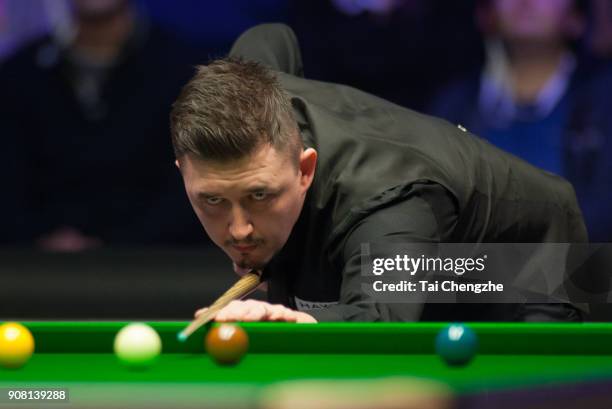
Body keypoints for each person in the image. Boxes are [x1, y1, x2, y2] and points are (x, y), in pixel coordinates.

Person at [170, 24, 587, 323]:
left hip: (521, 264)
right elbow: (271, 35)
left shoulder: (391, 197)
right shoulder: (256, 93)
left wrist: (290, 320)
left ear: (304, 168)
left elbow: (381, 319)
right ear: (182, 173)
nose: (239, 229)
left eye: (259, 196)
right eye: (213, 200)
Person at [0, 0, 203, 248]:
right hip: (30, 268)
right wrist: (41, 242)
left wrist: (112, 247)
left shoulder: (183, 70)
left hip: (156, 267)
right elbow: (8, 188)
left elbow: (192, 191)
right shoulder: (18, 75)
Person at [429, 0, 612, 241]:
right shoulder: (453, 108)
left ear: (576, 19)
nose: (525, 2)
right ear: (486, 14)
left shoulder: (603, 102)